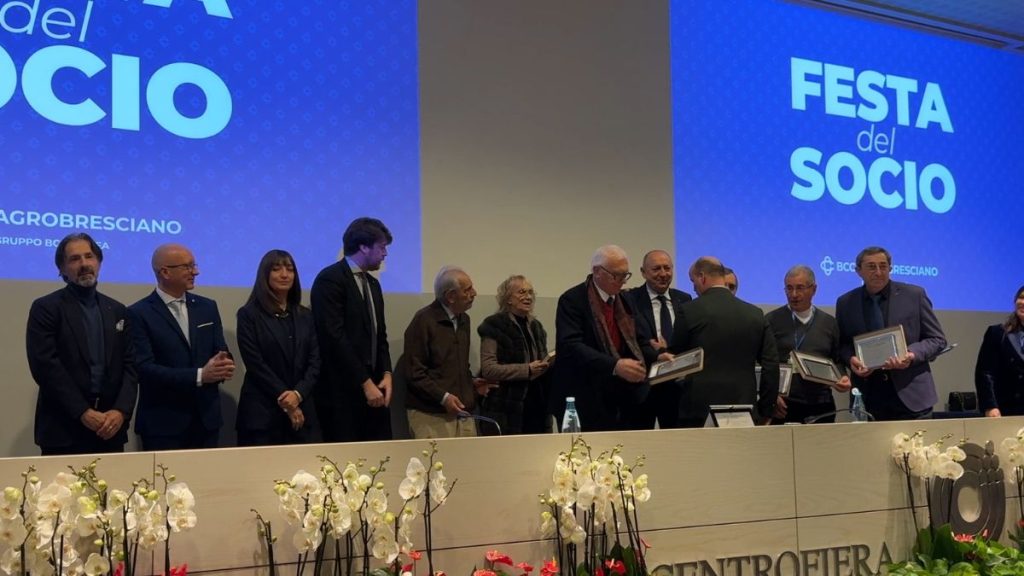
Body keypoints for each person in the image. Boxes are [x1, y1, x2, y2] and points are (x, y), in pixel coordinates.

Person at [26, 233, 138, 455]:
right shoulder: (46, 308)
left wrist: (120, 411)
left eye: (89, 256)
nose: (84, 264)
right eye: (75, 259)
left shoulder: (118, 310)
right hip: (64, 430)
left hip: (110, 428)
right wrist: (82, 412)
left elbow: (130, 366)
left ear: (99, 262)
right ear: (62, 269)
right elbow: (45, 366)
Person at [129, 244, 235, 450]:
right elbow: (144, 369)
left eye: (194, 265)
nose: (195, 272)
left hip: (206, 420)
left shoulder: (207, 307)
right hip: (163, 424)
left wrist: (224, 364)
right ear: (165, 272)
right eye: (187, 266)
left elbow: (220, 349)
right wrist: (200, 375)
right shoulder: (138, 313)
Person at [553, 245, 658, 431]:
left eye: (626, 275)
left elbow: (639, 341)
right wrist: (614, 366)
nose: (622, 281)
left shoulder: (625, 299)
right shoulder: (573, 300)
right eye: (616, 275)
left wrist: (659, 356)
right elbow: (571, 346)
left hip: (622, 396)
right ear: (597, 272)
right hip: (586, 394)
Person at [835, 246, 947, 421]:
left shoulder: (914, 295)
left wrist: (911, 354)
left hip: (912, 395)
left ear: (890, 268)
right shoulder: (845, 302)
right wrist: (851, 359)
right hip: (868, 397)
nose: (878, 272)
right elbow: (842, 344)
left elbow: (937, 339)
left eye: (883, 266)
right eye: (871, 267)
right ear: (858, 271)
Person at [311, 217, 394, 442]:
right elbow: (333, 337)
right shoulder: (330, 280)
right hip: (342, 392)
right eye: (382, 247)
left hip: (376, 387)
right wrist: (364, 382)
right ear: (364, 247)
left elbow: (380, 335)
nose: (385, 254)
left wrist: (387, 373)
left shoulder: (373, 285)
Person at [669, 256, 779, 426]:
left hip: (697, 408)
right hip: (744, 406)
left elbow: (677, 358)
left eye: (693, 281)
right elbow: (771, 365)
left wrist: (663, 351)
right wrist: (766, 409)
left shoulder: (688, 311)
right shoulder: (755, 314)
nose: (694, 287)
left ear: (702, 277)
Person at [236, 250, 320, 445]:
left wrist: (297, 395)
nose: (284, 275)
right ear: (264, 275)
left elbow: (315, 361)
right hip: (262, 413)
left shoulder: (305, 315)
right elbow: (255, 364)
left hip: (303, 410)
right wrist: (287, 401)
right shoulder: (249, 315)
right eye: (276, 269)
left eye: (290, 269)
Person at [402, 266, 493, 438]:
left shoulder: (464, 319)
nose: (474, 293)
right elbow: (415, 373)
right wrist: (443, 397)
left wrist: (470, 383)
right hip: (431, 415)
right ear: (450, 296)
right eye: (467, 290)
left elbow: (456, 364)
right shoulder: (423, 321)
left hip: (462, 412)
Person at [765, 265, 851, 424]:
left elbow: (837, 360)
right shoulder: (771, 320)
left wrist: (842, 377)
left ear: (814, 289)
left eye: (800, 288)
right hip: (783, 405)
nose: (794, 294)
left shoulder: (829, 323)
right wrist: (771, 396)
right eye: (789, 288)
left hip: (821, 404)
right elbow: (763, 363)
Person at [477, 275, 552, 435]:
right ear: (508, 298)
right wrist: (527, 370)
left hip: (537, 407)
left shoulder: (537, 326)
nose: (528, 297)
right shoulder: (493, 325)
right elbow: (489, 369)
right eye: (522, 292)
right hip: (505, 409)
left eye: (531, 292)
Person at [624, 249, 692, 428]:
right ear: (643, 272)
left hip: (676, 387)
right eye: (656, 269)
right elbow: (630, 339)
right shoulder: (630, 299)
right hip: (642, 385)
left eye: (667, 268)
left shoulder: (684, 299)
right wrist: (655, 352)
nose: (663, 274)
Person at [975, 285, 1024, 417]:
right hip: (1005, 411)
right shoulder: (997, 333)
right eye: (1020, 298)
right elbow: (985, 373)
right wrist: (990, 406)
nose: (1022, 302)